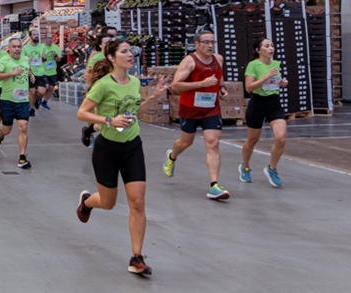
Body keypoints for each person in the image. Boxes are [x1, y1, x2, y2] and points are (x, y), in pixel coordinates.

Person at [74, 39, 167, 276]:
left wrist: (155, 96)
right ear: (112, 58)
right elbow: (81, 113)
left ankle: (136, 258)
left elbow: (136, 111)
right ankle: (86, 202)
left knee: (137, 202)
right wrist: (108, 120)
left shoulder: (135, 82)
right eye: (124, 51)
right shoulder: (103, 85)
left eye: (131, 51)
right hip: (107, 148)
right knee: (108, 203)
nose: (130, 54)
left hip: (132, 146)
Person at [166, 30, 231, 200]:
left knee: (213, 143)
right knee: (186, 142)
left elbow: (219, 76)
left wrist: (222, 89)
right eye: (206, 42)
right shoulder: (189, 62)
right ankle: (172, 156)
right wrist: (201, 83)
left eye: (212, 42)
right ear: (197, 44)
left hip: (211, 107)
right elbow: (175, 86)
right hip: (190, 108)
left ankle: (214, 186)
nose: (210, 46)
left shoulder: (219, 58)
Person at [239, 38, 289, 187]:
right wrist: (266, 77)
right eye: (267, 46)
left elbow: (275, 82)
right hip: (257, 104)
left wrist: (282, 83)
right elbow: (249, 88)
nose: (271, 48)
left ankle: (272, 169)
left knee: (281, 138)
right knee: (252, 140)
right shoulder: (253, 65)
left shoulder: (276, 64)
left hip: (274, 103)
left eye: (272, 45)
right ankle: (245, 166)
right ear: (258, 50)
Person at [0, 37, 34, 169]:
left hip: (22, 100)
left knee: (23, 127)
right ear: (9, 48)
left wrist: (31, 75)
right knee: (7, 129)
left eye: (19, 47)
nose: (17, 49)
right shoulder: (4, 60)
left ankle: (22, 158)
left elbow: (27, 69)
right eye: (14, 47)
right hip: (8, 100)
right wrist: (12, 73)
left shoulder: (25, 59)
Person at [81, 33, 117, 147]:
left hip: (112, 90)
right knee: (96, 115)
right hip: (98, 90)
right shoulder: (96, 58)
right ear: (100, 45)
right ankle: (90, 132)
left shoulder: (114, 57)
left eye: (110, 42)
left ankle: (92, 132)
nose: (108, 44)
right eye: (106, 42)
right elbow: (88, 74)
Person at [24, 32, 49, 117]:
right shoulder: (25, 48)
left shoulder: (42, 47)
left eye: (37, 34)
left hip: (40, 72)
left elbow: (44, 59)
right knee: (32, 91)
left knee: (42, 92)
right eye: (34, 34)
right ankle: (31, 109)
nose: (36, 36)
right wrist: (27, 59)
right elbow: (22, 60)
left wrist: (44, 58)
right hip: (30, 72)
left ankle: (36, 99)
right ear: (30, 36)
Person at [43, 26, 64, 109]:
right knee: (46, 87)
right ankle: (39, 98)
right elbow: (38, 60)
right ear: (45, 38)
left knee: (51, 88)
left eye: (51, 38)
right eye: (48, 38)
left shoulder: (55, 47)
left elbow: (59, 60)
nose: (49, 40)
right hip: (43, 71)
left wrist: (55, 55)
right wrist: (43, 58)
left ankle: (45, 102)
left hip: (52, 71)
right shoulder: (41, 47)